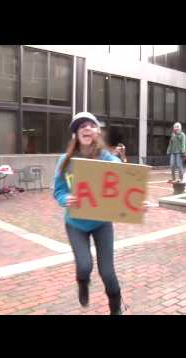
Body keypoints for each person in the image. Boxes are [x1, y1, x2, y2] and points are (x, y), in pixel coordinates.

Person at [53, 112, 124, 315]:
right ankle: (83, 283)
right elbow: (58, 191)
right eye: (81, 126)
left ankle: (116, 309)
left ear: (97, 131)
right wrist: (65, 199)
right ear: (76, 133)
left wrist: (134, 203)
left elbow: (124, 182)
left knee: (108, 273)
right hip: (75, 223)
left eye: (90, 125)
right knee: (84, 266)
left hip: (101, 223)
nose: (86, 128)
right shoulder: (65, 161)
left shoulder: (107, 158)